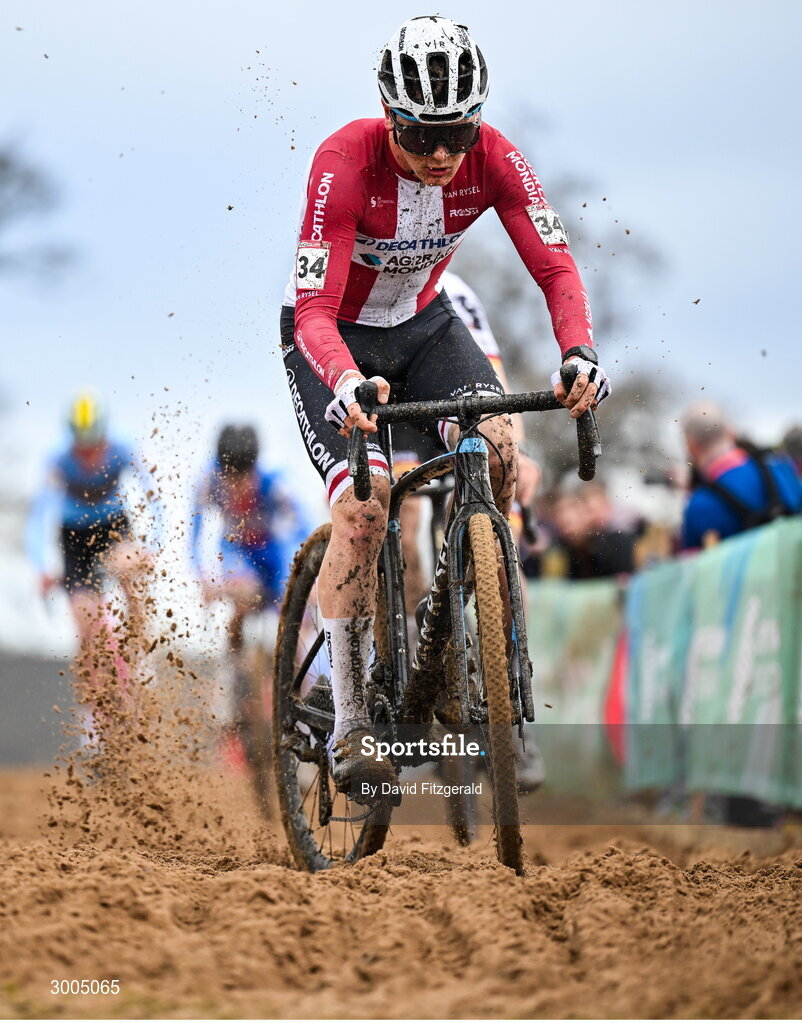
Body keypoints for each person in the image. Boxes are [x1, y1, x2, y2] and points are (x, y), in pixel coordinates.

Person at [279, 16, 611, 801]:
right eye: (423, 133)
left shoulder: (492, 156)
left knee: (499, 447)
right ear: (390, 115)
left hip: (425, 328)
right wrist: (344, 381)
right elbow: (313, 312)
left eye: (457, 132)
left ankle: (495, 653)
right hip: (335, 338)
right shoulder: (342, 162)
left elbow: (556, 266)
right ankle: (353, 719)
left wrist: (577, 350)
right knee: (367, 510)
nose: (440, 154)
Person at [26, 392, 158, 735]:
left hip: (113, 527)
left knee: (131, 573)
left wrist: (151, 547)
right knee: (87, 626)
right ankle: (91, 713)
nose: (87, 454)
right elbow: (38, 516)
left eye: (93, 445)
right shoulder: (58, 460)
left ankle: (141, 658)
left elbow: (154, 498)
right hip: (73, 538)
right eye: (80, 447)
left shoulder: (122, 449)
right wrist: (41, 567)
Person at [190, 425, 308, 755]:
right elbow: (195, 532)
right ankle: (230, 690)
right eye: (230, 475)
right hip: (239, 555)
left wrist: (295, 585)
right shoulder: (208, 481)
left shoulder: (275, 484)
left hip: (277, 556)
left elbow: (297, 535)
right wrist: (202, 577)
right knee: (239, 593)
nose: (236, 484)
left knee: (299, 628)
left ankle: (304, 709)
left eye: (243, 475)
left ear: (255, 467)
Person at [681, 401, 801, 550]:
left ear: (691, 446)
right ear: (731, 433)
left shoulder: (698, 506)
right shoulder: (781, 468)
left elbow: (691, 568)